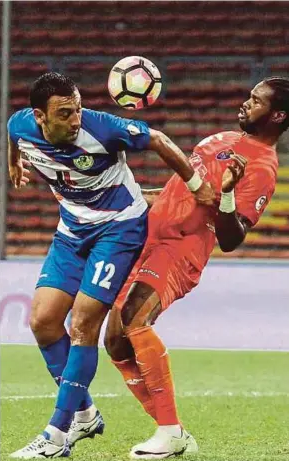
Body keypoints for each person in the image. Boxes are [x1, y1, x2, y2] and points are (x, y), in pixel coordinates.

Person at [7, 72, 214, 459]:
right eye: (65, 113)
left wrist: (194, 182)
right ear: (40, 116)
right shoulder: (20, 125)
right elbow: (12, 134)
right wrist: (15, 162)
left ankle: (56, 435)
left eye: (78, 109)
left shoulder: (102, 128)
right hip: (72, 229)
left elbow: (158, 139)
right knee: (43, 322)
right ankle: (84, 413)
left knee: (83, 324)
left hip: (118, 230)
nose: (75, 120)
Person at [104, 76, 289, 459]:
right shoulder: (219, 139)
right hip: (147, 240)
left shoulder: (263, 168)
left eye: (256, 101)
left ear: (278, 116)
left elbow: (232, 238)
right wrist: (122, 197)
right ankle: (174, 431)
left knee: (136, 320)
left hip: (181, 250)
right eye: (249, 96)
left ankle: (168, 431)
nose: (245, 104)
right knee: (115, 342)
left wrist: (225, 193)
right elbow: (176, 191)